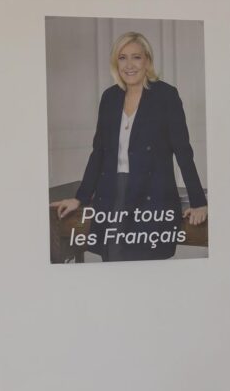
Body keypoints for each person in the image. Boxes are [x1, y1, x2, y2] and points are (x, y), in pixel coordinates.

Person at [51, 31, 207, 261]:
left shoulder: (166, 95)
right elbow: (99, 154)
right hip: (113, 193)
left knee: (145, 265)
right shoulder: (109, 97)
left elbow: (183, 152)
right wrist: (80, 198)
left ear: (147, 60)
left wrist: (198, 202)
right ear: (116, 63)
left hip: (151, 195)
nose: (129, 65)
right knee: (113, 260)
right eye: (122, 58)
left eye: (136, 57)